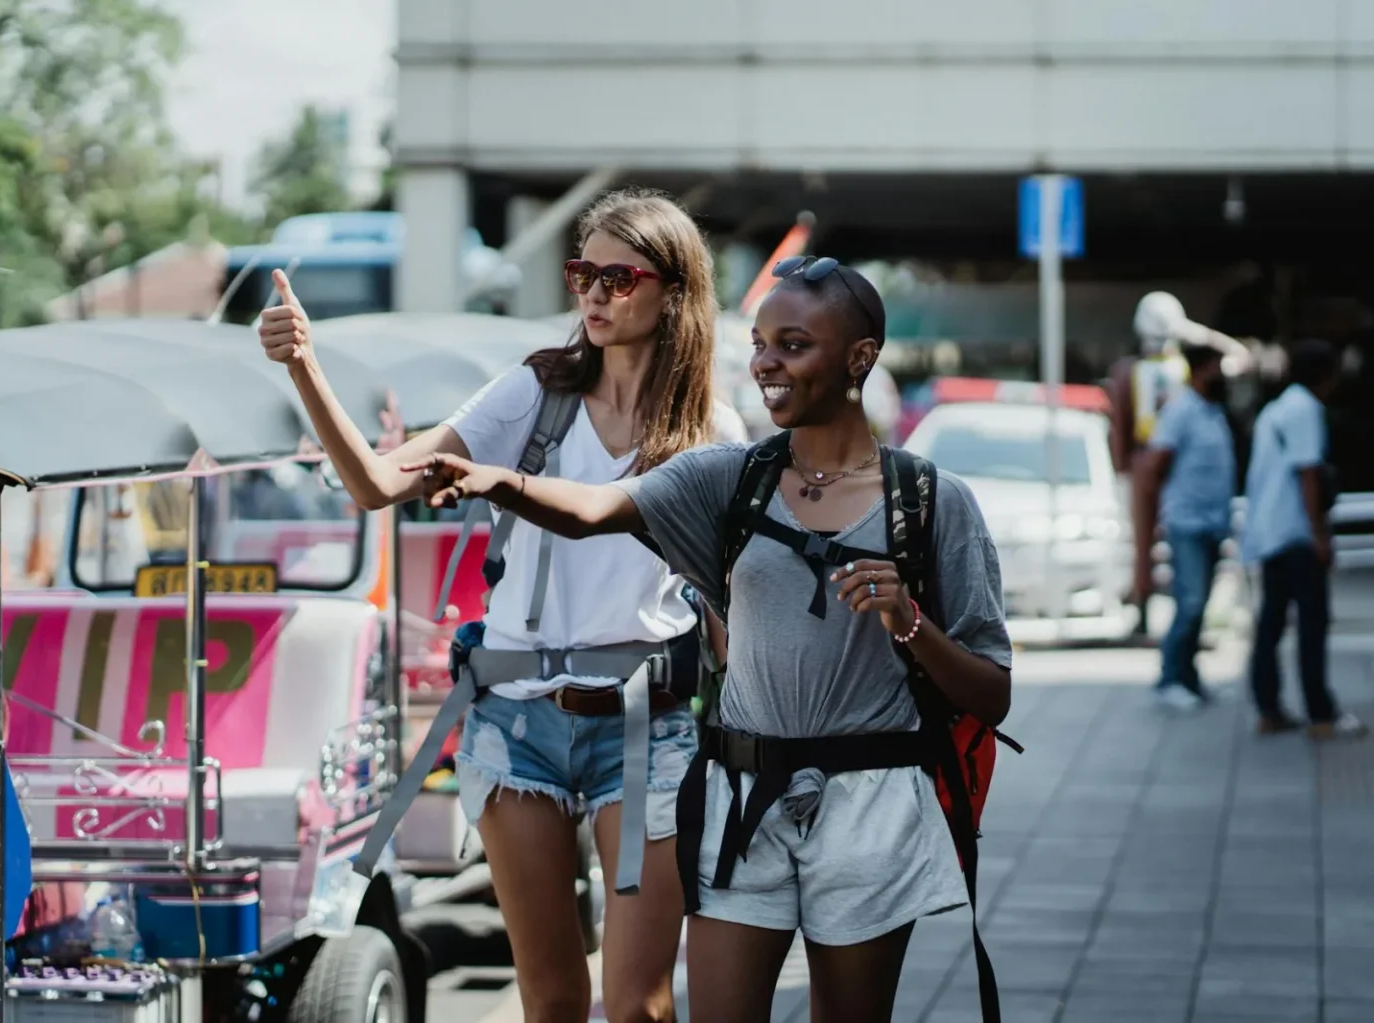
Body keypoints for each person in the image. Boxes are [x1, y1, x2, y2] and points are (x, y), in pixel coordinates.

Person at [404, 257, 1013, 1023]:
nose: (765, 362)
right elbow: (595, 508)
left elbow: (993, 691)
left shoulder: (930, 503)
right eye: (760, 343)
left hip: (870, 806)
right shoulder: (728, 479)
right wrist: (499, 482)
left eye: (793, 344)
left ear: (860, 357)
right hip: (740, 801)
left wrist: (910, 623)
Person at [260, 186, 741, 1023]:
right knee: (552, 1000)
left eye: (618, 277)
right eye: (580, 270)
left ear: (675, 289)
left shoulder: (714, 434)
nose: (593, 292)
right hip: (516, 725)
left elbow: (738, 610)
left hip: (649, 730)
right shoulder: (537, 392)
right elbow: (377, 484)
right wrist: (304, 364)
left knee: (638, 1006)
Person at [1242, 340, 1366, 739]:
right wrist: (1320, 534)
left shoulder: (1275, 409)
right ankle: (1320, 712)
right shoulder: (1305, 410)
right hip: (1295, 532)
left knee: (1272, 623)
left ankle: (1269, 707)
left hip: (1268, 530)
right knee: (1312, 623)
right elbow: (1308, 473)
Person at [1132, 343, 1237, 710]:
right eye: (1217, 367)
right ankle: (1170, 679)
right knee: (1189, 603)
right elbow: (1155, 467)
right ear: (1202, 368)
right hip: (1187, 522)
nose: (1222, 375)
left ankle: (1189, 677)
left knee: (1200, 605)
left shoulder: (1213, 411)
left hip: (1211, 523)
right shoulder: (1181, 410)